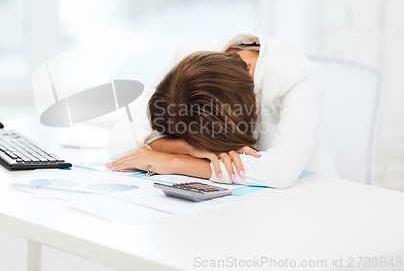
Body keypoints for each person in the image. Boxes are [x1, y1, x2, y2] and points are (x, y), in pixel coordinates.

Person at [107, 33, 338, 188]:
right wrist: (182, 146)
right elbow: (119, 142)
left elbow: (280, 171)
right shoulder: (191, 59)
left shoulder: (298, 76)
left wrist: (174, 163)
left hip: (305, 198)